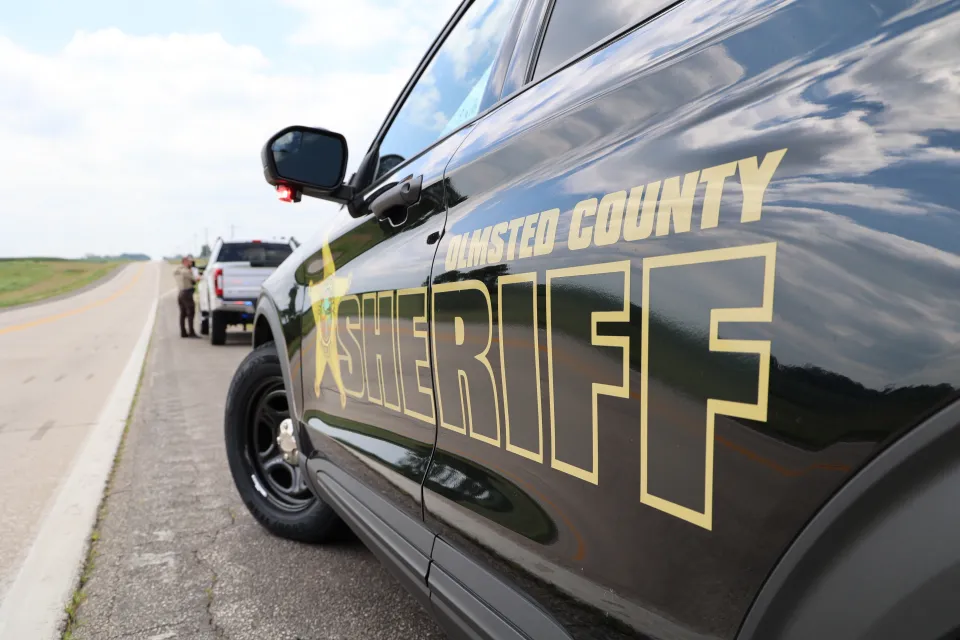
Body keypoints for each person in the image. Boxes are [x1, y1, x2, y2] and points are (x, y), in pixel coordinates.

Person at [173, 256, 198, 338]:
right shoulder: (186, 271)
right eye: (190, 262)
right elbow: (195, 279)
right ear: (185, 262)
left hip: (181, 293)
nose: (191, 264)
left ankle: (183, 332)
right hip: (187, 293)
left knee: (183, 314)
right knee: (191, 313)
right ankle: (191, 332)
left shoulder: (177, 270)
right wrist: (200, 276)